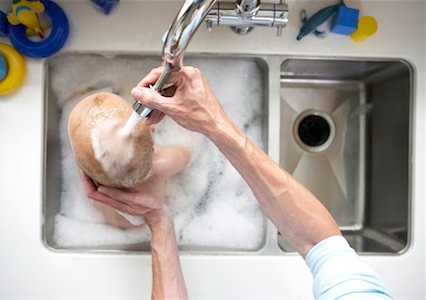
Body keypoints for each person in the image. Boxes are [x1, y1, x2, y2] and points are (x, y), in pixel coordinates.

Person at [81, 67, 394, 299]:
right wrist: (212, 126)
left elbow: (324, 247)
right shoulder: (161, 163)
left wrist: (157, 221)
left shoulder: (127, 182)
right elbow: (324, 246)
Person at [68, 92, 190, 229]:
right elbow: (187, 152)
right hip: (144, 223)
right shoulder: (161, 165)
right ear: (152, 128)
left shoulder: (94, 175)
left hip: (105, 221)